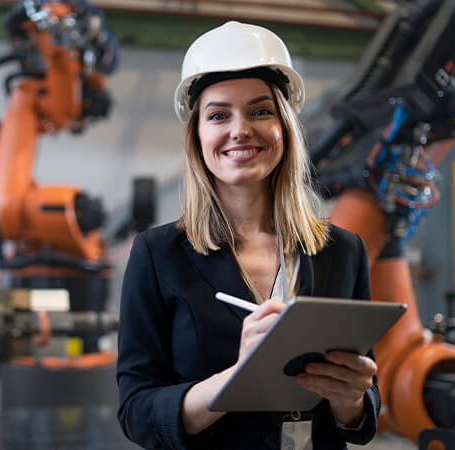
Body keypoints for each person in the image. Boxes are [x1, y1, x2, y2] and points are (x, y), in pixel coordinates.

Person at [116, 21, 380, 450]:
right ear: (198, 135)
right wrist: (239, 378)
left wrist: (350, 397)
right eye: (219, 115)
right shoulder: (158, 255)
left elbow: (362, 410)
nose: (240, 130)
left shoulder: (342, 251)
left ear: (284, 128)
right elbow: (137, 412)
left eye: (260, 111)